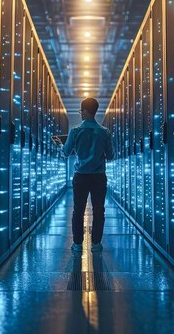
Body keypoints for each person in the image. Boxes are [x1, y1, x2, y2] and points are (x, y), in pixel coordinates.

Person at [55, 98, 113, 252]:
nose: (80, 113)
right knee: (99, 210)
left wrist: (62, 146)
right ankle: (96, 244)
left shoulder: (75, 131)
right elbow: (111, 155)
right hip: (99, 177)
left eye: (81, 111)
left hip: (80, 176)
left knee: (78, 210)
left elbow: (66, 153)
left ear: (86, 111)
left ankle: (77, 244)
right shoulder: (105, 132)